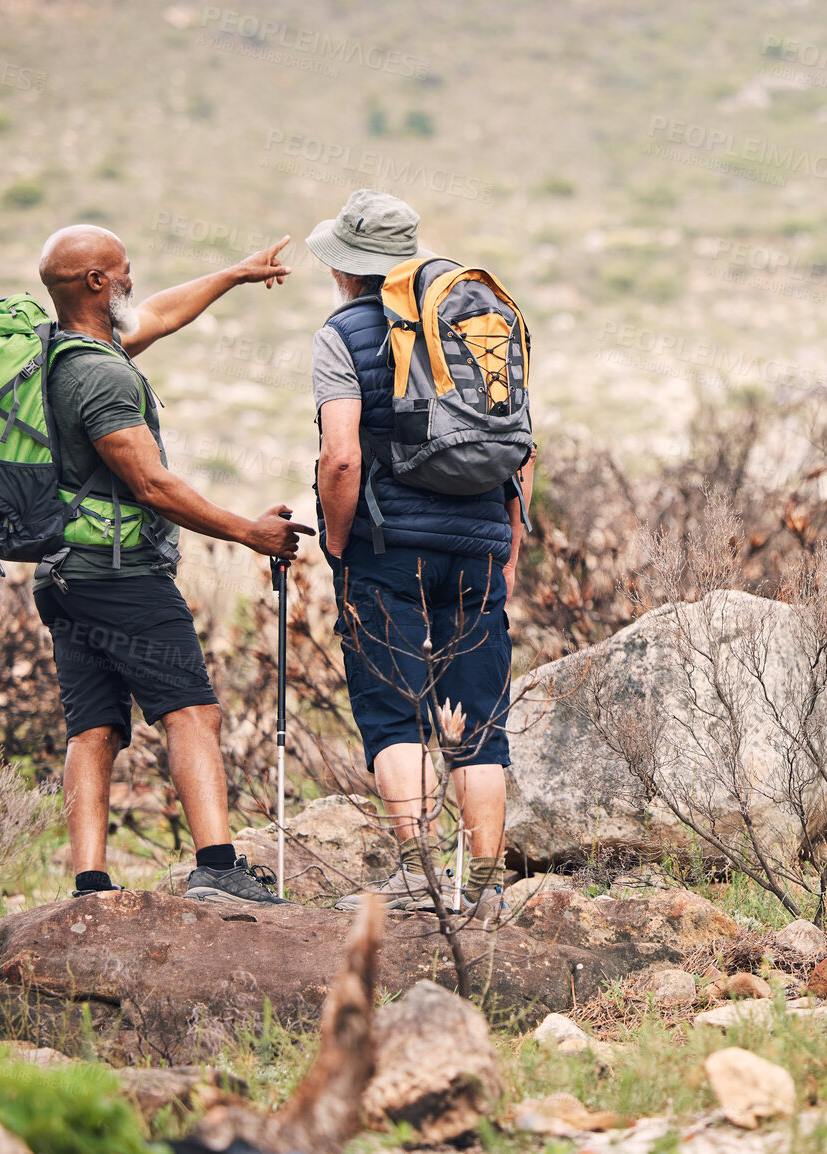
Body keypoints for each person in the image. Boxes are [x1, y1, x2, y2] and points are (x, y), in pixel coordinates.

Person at [35, 224, 313, 904]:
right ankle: (218, 866)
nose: (133, 279)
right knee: (191, 712)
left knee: (92, 725)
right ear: (98, 283)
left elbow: (157, 314)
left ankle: (90, 883)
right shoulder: (101, 376)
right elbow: (152, 486)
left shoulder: (63, 354)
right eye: (123, 269)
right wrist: (249, 532)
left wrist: (233, 274)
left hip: (63, 573)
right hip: (121, 575)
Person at [307, 190, 531, 915]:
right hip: (478, 543)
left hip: (386, 545)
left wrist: (340, 547)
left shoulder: (342, 333)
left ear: (346, 268)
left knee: (394, 712)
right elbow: (523, 449)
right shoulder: (474, 320)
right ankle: (489, 888)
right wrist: (511, 548)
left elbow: (340, 458)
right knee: (477, 713)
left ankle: (418, 878)